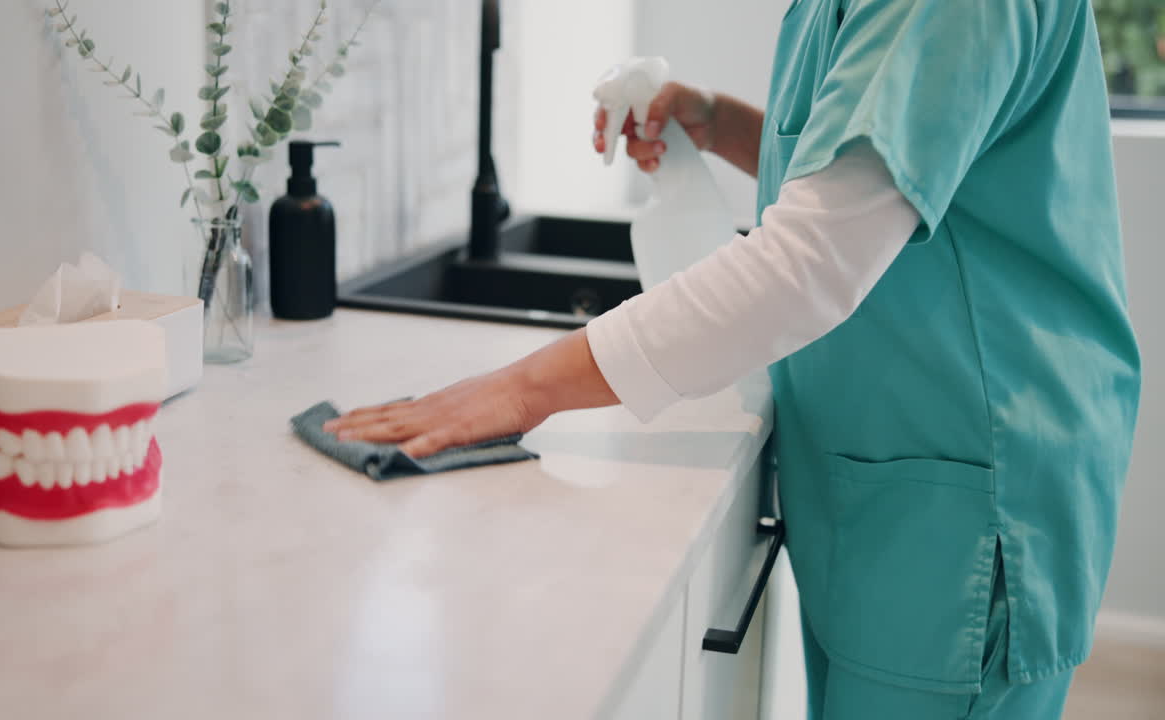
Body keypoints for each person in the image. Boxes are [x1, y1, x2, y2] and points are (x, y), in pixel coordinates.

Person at [323, 0, 1141, 716]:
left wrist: (524, 387)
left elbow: (817, 256)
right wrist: (720, 123)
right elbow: (883, 166)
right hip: (901, 484)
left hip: (968, 499)